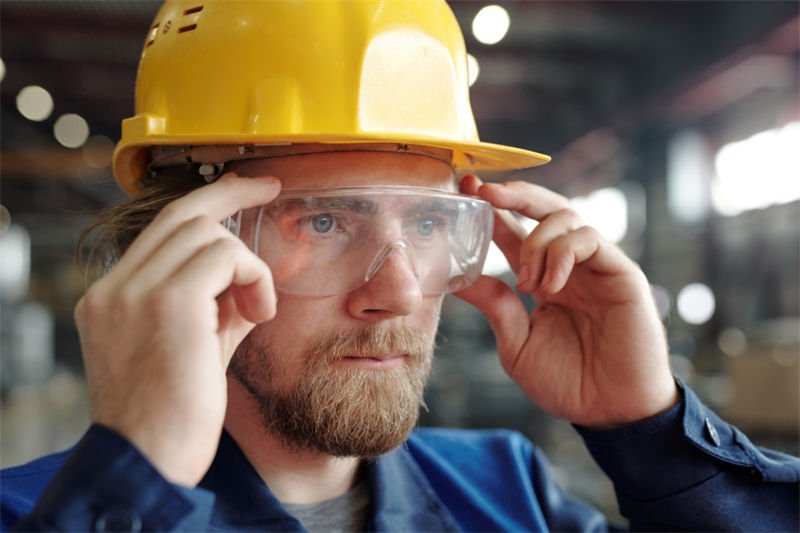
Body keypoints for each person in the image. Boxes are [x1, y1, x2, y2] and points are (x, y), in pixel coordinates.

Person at [1, 1, 798, 531]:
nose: (401, 289)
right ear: (175, 246)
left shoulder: (505, 492)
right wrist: (130, 490)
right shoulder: (37, 511)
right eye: (322, 219)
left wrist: (654, 432)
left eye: (427, 222)